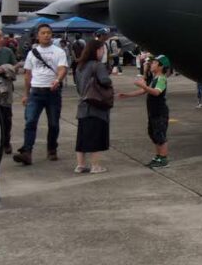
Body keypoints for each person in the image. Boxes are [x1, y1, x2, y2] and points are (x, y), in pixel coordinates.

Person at [13, 23, 69, 165]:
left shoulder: (59, 52)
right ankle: (27, 152)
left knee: (54, 123)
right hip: (36, 92)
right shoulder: (32, 53)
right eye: (43, 33)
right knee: (30, 122)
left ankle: (52, 149)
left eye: (49, 33)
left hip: (52, 92)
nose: (46, 35)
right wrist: (26, 94)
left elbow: (62, 68)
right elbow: (27, 75)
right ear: (37, 36)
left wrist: (58, 80)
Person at [119, 54, 171, 167]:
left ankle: (163, 158)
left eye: (154, 63)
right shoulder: (154, 78)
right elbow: (144, 91)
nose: (151, 64)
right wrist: (127, 95)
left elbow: (156, 92)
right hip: (153, 111)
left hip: (159, 112)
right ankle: (158, 156)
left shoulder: (161, 78)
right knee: (153, 133)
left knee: (160, 134)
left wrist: (143, 85)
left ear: (161, 67)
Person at [74, 39, 113, 174]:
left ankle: (80, 165)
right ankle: (95, 166)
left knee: (82, 136)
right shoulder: (98, 66)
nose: (103, 52)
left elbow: (79, 87)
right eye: (102, 50)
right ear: (96, 50)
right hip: (96, 105)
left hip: (83, 105)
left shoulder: (80, 66)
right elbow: (105, 81)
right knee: (95, 136)